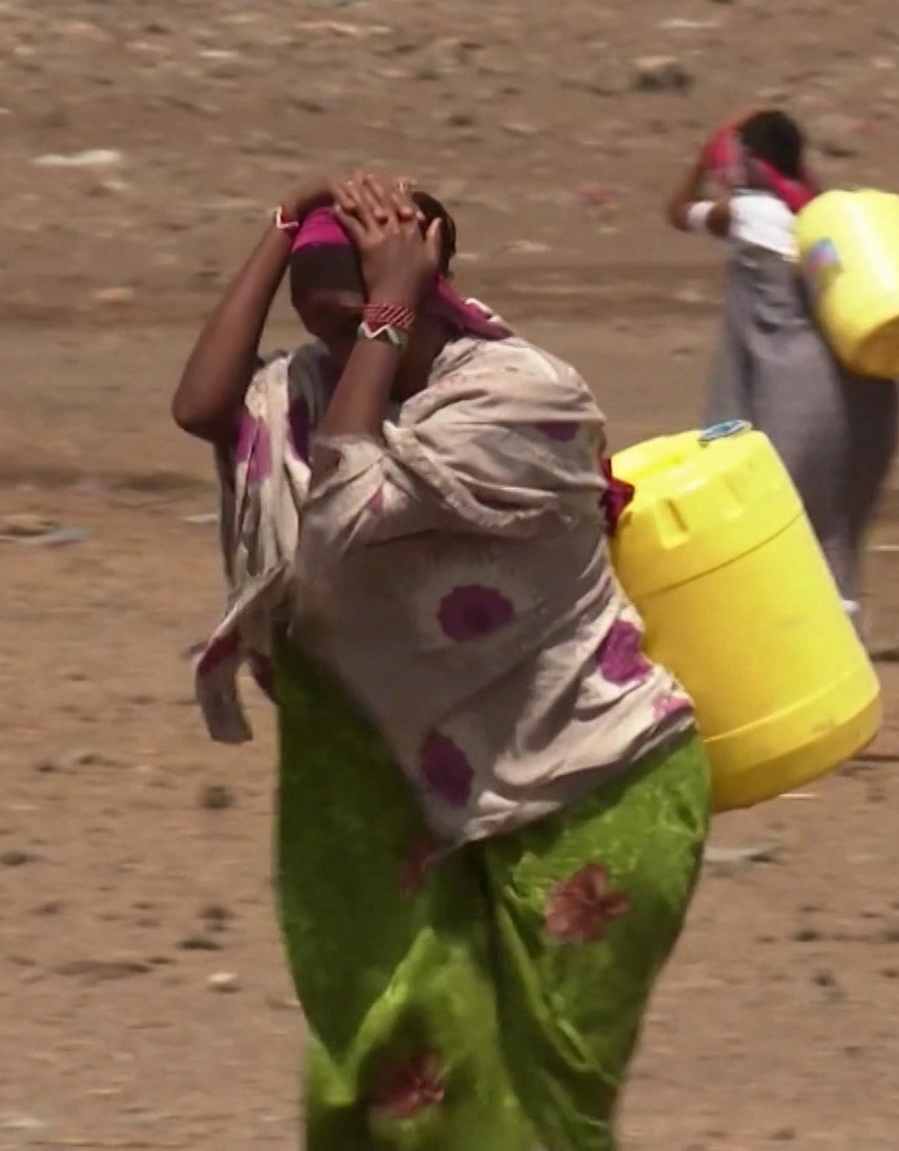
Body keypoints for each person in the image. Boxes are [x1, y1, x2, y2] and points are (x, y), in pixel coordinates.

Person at [171, 172, 709, 1150]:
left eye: (351, 322)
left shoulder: (520, 399)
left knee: (551, 1105)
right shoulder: (322, 391)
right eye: (316, 326)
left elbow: (351, 500)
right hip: (448, 798)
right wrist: (282, 222)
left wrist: (382, 312)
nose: (331, 349)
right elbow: (204, 404)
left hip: (592, 787)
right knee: (420, 1071)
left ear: (421, 285)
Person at [664, 107, 899, 642]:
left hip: (785, 385)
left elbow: (677, 211)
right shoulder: (816, 222)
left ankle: (780, 646)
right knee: (834, 522)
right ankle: (840, 641)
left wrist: (705, 154)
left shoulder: (745, 215)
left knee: (773, 514)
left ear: (747, 161)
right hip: (849, 388)